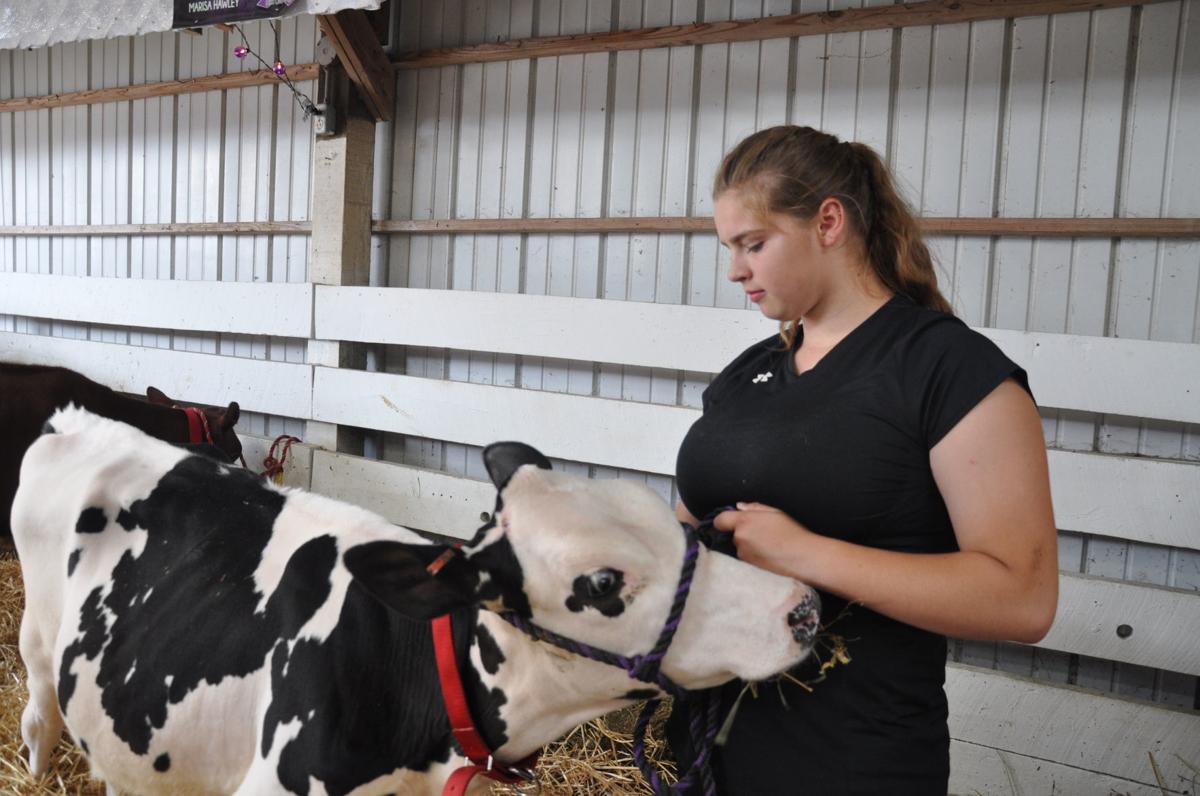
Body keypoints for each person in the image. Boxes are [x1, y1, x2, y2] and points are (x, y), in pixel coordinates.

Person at [670, 125, 1059, 794]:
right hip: (705, 755)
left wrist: (806, 555)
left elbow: (1023, 599)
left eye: (753, 245)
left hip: (849, 764)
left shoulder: (946, 369)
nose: (736, 270)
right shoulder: (746, 377)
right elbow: (686, 532)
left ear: (828, 221)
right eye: (729, 249)